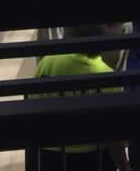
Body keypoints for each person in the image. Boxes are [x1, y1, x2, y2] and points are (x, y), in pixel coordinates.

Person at [32, 23, 133, 171]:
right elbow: (115, 137)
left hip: (50, 156)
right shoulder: (106, 75)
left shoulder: (46, 63)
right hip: (94, 158)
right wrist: (125, 166)